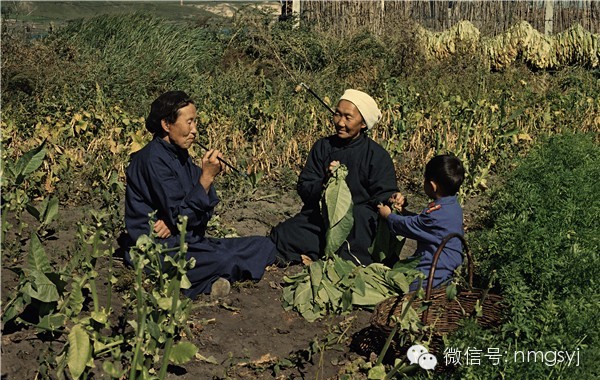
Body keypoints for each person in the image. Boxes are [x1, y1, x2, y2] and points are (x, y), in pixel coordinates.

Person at [122, 90, 276, 298]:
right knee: (222, 258)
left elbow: (204, 209)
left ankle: (208, 278)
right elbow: (184, 215)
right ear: (167, 125)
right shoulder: (153, 160)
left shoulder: (181, 156)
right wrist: (205, 179)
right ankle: (204, 283)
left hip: (185, 239)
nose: (194, 131)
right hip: (157, 248)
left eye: (195, 122)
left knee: (262, 244)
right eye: (189, 122)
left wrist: (173, 220)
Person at [270, 89, 398, 266]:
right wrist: (325, 182)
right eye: (337, 114)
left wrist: (393, 200)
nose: (340, 122)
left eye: (348, 117)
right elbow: (305, 187)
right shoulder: (323, 147)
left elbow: (384, 194)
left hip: (357, 224)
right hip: (322, 218)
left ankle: (333, 254)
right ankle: (322, 250)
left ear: (363, 124)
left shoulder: (377, 156)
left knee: (353, 246)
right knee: (282, 235)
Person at [377, 154, 465, 291]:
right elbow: (422, 224)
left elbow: (410, 226)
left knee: (388, 283)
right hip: (447, 270)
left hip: (431, 276)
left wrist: (388, 216)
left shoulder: (435, 215)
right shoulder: (452, 206)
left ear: (432, 185)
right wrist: (404, 213)